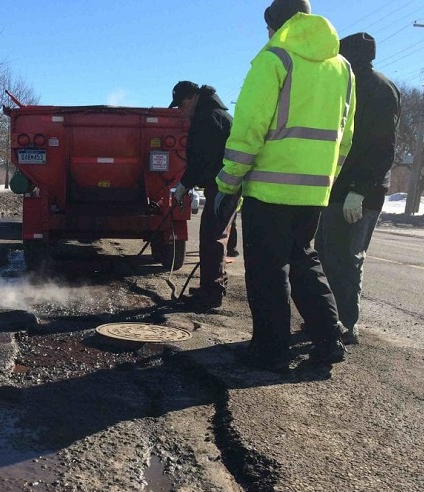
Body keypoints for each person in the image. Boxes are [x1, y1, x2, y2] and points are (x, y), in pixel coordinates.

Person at [214, 0, 355, 372]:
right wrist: (327, 178)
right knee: (304, 262)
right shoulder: (342, 68)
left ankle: (270, 351)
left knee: (267, 271)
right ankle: (329, 340)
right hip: (314, 192)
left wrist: (228, 182)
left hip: (269, 190)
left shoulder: (275, 58)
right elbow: (346, 135)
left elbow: (249, 128)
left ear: (275, 24)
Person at [315, 33, 401, 345]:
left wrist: (360, 189)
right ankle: (327, 319)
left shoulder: (376, 89)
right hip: (337, 189)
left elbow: (382, 147)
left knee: (345, 260)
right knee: (326, 254)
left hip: (358, 193)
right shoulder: (352, 85)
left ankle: (344, 325)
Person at [168, 81, 233, 311]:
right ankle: (211, 288)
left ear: (194, 96)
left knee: (212, 238)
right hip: (223, 185)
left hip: (223, 186)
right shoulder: (215, 114)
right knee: (213, 236)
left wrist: (184, 185)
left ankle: (211, 294)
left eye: (182, 103)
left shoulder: (208, 118)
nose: (180, 109)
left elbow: (202, 160)